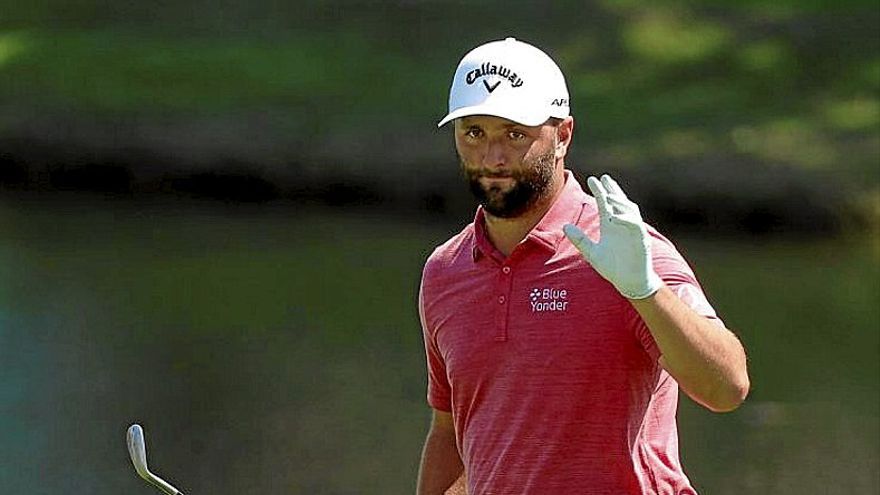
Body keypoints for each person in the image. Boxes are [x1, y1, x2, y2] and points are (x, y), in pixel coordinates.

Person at [415, 38, 750, 495]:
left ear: (563, 135)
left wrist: (645, 291)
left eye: (515, 134)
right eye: (474, 132)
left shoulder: (623, 248)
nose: (493, 157)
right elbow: (450, 431)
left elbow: (727, 387)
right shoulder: (445, 272)